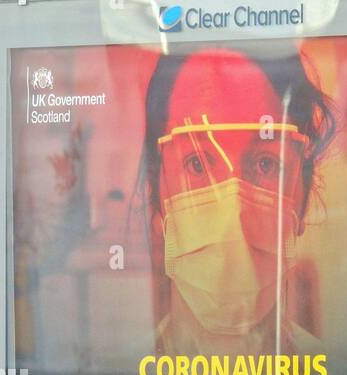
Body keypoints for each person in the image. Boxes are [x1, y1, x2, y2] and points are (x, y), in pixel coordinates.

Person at [140, 45, 336, 356]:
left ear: (302, 193)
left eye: (265, 164)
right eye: (197, 163)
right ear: (156, 189)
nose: (233, 214)